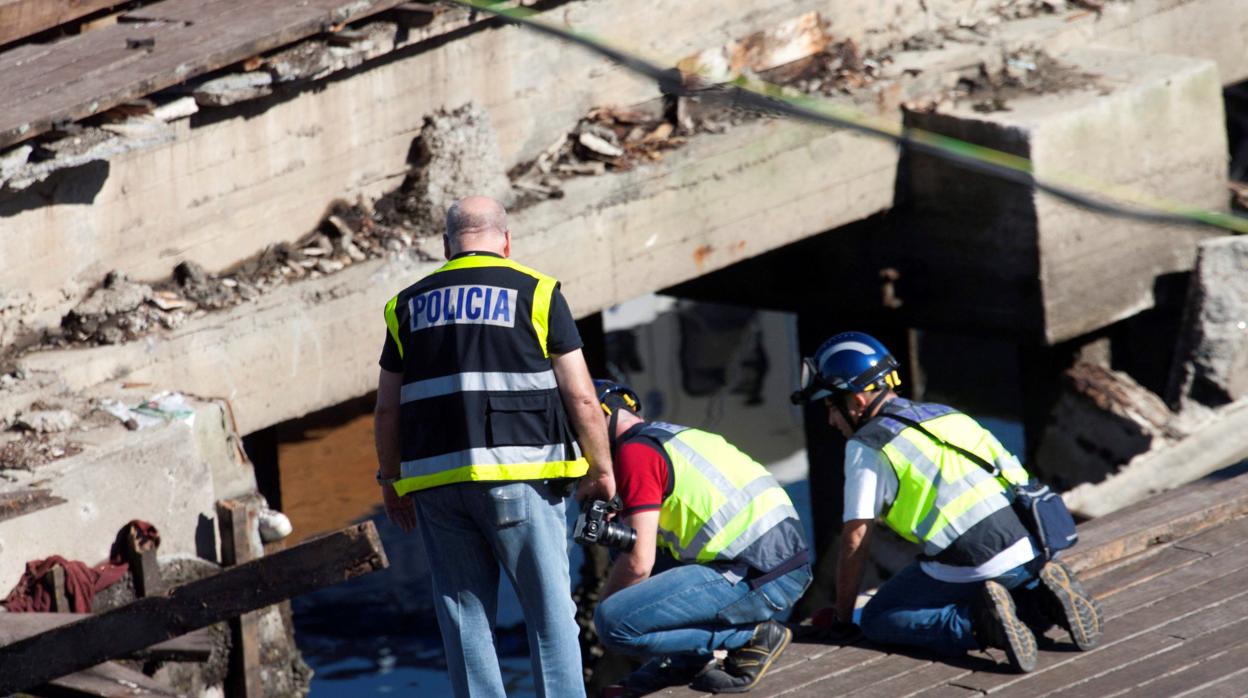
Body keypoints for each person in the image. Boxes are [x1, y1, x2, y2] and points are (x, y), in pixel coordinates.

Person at [373, 196, 615, 698]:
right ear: (506, 241)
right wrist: (600, 467)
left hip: (438, 486)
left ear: (447, 245)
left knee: (465, 623)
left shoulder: (405, 306)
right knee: (550, 616)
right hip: (520, 476)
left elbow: (387, 410)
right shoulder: (539, 293)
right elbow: (582, 397)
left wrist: (390, 480)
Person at [791, 331, 1103, 673]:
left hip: (976, 561)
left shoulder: (868, 446)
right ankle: (1042, 600)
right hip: (1032, 544)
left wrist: (842, 617)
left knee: (881, 618)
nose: (830, 421)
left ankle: (980, 625)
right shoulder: (945, 414)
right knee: (989, 587)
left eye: (830, 407)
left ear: (856, 401)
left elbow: (855, 536)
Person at [591, 380, 811, 695]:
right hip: (778, 564)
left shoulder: (634, 453)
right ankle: (687, 660)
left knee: (614, 623)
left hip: (760, 575)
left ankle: (749, 636)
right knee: (621, 546)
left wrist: (605, 608)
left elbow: (639, 563)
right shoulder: (672, 435)